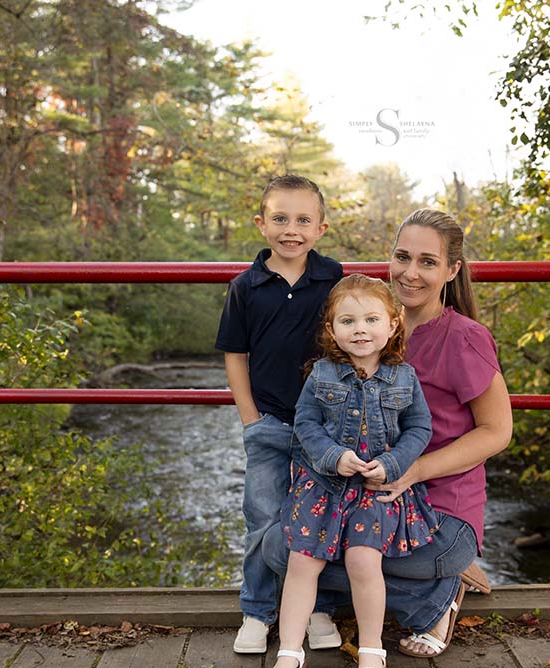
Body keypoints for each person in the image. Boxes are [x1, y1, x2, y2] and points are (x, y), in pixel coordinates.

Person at [263, 208, 513, 659]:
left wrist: (413, 471)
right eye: (403, 257)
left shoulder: (465, 337)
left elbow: (497, 431)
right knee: (282, 549)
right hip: (361, 496)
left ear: (452, 270)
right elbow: (314, 412)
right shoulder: (367, 326)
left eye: (428, 262)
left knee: (334, 559)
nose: (411, 273)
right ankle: (409, 590)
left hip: (438, 508)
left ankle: (437, 596)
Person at [272, 274, 438, 668]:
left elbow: (420, 428)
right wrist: (332, 455)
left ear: (393, 323)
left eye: (371, 320)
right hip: (324, 486)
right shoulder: (323, 373)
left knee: (364, 561)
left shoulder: (404, 377)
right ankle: (290, 651)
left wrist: (393, 463)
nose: (360, 329)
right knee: (302, 562)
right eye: (348, 321)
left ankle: (371, 649)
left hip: (374, 487)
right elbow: (306, 424)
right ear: (332, 329)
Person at [215, 174, 344, 654]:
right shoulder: (245, 287)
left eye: (303, 220)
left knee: (322, 517)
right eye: (281, 218)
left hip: (326, 427)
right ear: (261, 224)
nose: (292, 229)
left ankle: (318, 608)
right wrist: (250, 419)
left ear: (321, 228)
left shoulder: (333, 278)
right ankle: (257, 611)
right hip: (268, 423)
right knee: (263, 518)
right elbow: (235, 353)